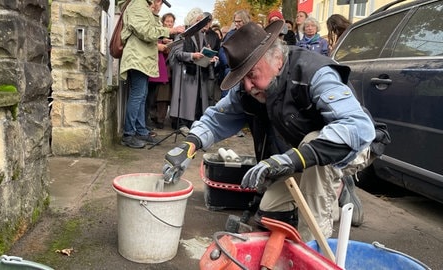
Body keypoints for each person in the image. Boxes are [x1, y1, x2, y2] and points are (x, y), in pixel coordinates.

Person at [163, 21, 389, 242]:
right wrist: (188, 147)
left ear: (277, 59)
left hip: (356, 144)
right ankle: (330, 195)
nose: (248, 87)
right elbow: (215, 119)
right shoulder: (248, 89)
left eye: (252, 75)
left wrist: (293, 158)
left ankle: (314, 246)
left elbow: (357, 128)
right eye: (243, 79)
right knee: (269, 210)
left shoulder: (314, 73)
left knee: (315, 155)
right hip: (302, 154)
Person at [119, 0, 184, 148]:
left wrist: (154, 11)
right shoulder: (137, 4)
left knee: (141, 95)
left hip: (142, 58)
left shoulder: (144, 6)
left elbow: (151, 28)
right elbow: (145, 31)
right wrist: (170, 31)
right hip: (137, 58)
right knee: (137, 95)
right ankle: (128, 134)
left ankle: (141, 131)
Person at [168, 8, 218, 129]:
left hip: (198, 73)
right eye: (198, 20)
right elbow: (177, 53)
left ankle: (193, 122)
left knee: (196, 99)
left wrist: (210, 58)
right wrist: (192, 56)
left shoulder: (202, 35)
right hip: (185, 72)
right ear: (192, 20)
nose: (201, 23)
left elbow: (203, 52)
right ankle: (181, 123)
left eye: (201, 20)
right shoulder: (183, 34)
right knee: (185, 99)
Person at [147, 12, 176, 129]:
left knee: (164, 96)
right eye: (167, 21)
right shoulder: (158, 33)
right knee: (154, 95)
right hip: (157, 67)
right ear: (163, 22)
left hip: (169, 69)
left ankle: (160, 119)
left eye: (171, 22)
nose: (169, 23)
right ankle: (153, 116)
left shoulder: (175, 36)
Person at [217, 10, 251, 99]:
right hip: (231, 71)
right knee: (227, 99)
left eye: (239, 21)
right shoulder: (230, 34)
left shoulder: (252, 33)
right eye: (235, 21)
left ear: (245, 20)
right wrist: (230, 63)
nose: (236, 24)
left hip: (247, 71)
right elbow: (222, 52)